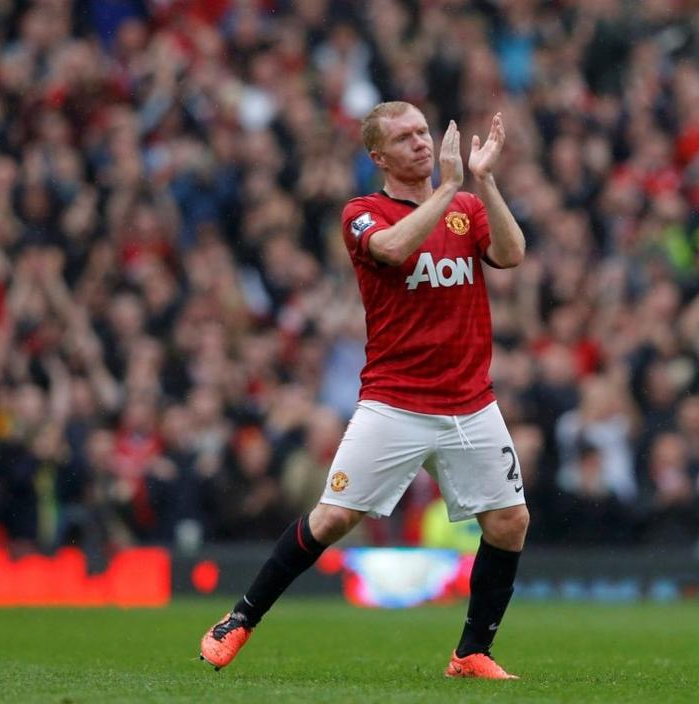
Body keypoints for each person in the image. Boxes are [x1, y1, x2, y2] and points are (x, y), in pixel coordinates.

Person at [199, 101, 529, 680]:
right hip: (395, 401)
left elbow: (511, 253)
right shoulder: (362, 213)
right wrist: (447, 190)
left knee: (510, 522)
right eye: (404, 138)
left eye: (423, 132)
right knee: (331, 519)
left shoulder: (466, 206)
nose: (421, 143)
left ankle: (471, 652)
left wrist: (484, 182)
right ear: (378, 156)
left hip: (470, 401)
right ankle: (240, 618)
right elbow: (394, 250)